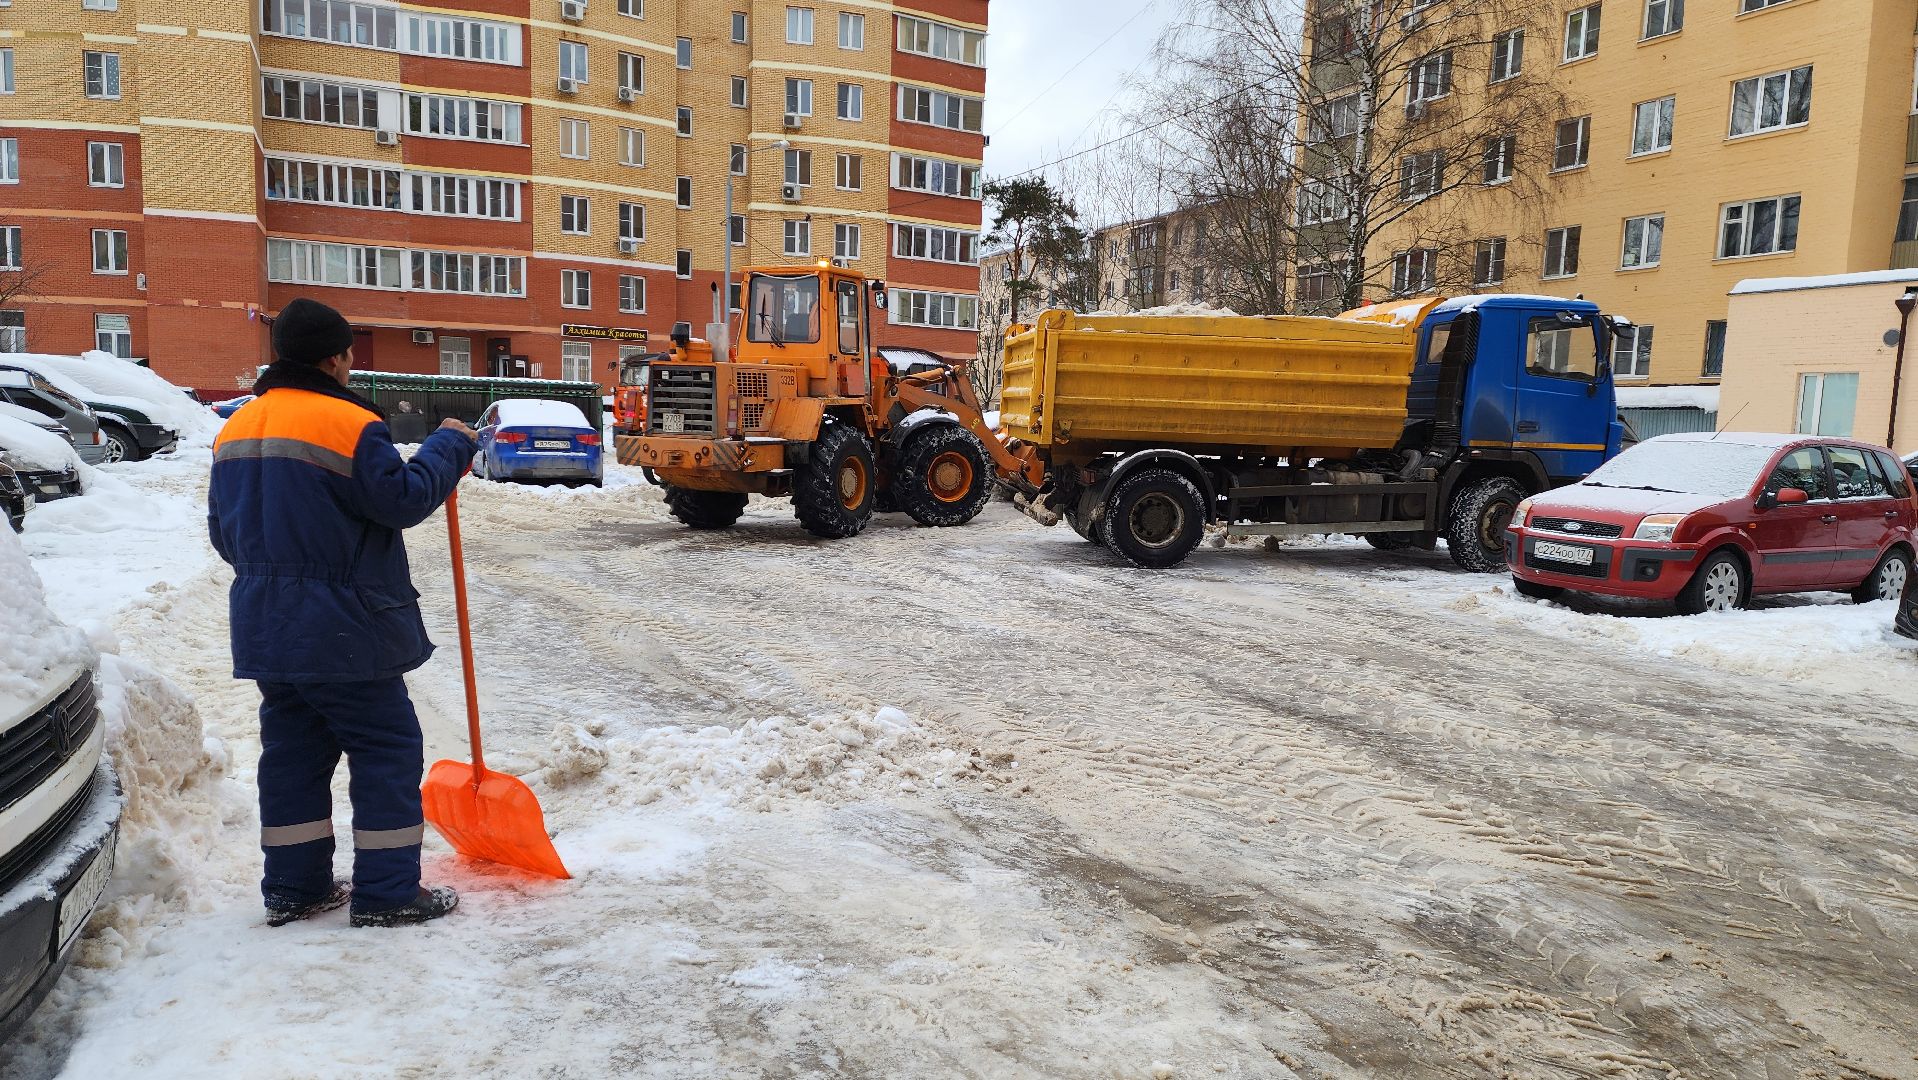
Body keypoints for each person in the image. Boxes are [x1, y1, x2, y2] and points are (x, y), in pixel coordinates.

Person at [208, 298, 478, 928]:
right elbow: (401, 501)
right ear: (335, 358)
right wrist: (448, 446)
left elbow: (224, 535)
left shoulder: (236, 427)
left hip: (266, 625)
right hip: (345, 625)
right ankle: (388, 894)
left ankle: (294, 888)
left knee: (293, 753)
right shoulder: (349, 423)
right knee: (386, 747)